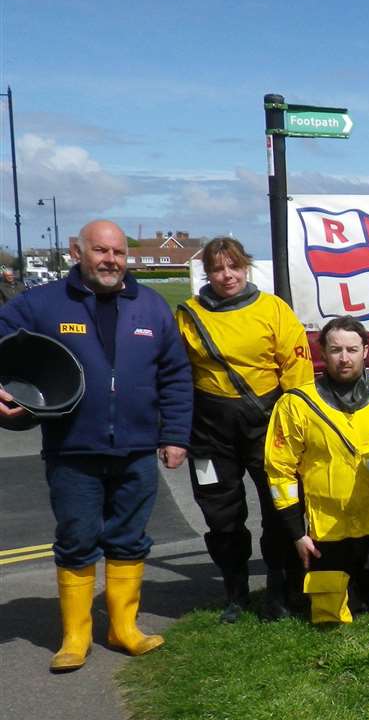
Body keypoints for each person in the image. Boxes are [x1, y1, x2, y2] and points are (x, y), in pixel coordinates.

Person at [0, 219, 191, 672]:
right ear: (77, 252)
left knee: (130, 538)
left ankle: (123, 628)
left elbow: (176, 376)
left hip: (137, 449)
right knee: (77, 538)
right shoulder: (40, 304)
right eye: (102, 251)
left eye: (119, 253)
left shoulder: (150, 307)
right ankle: (76, 635)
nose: (111, 261)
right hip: (72, 449)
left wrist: (176, 435)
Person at [176, 237, 312, 621]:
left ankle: (279, 587)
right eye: (217, 268)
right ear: (207, 272)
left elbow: (297, 372)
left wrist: (298, 429)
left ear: (245, 267)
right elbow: (176, 376)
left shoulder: (274, 310)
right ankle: (235, 592)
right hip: (209, 432)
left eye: (233, 266)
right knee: (221, 514)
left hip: (268, 426)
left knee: (279, 507)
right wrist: (173, 432)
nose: (226, 275)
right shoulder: (187, 316)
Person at [264, 317, 369, 624]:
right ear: (322, 352)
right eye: (335, 350)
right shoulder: (296, 404)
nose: (344, 358)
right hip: (326, 530)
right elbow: (280, 472)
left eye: (352, 349)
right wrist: (296, 533)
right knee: (329, 617)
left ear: (366, 351)